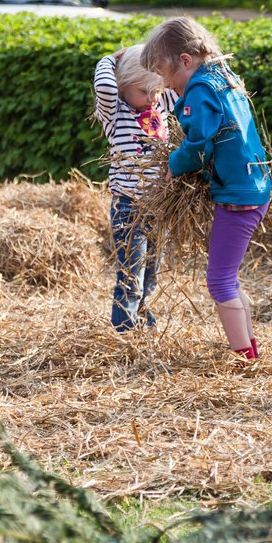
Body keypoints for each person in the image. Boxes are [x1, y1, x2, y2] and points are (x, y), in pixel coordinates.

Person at [141, 17, 272, 361]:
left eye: (166, 75)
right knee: (228, 277)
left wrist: (175, 164)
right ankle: (249, 348)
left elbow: (200, 145)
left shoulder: (200, 89)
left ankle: (244, 358)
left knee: (219, 281)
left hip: (237, 195)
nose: (167, 86)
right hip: (252, 185)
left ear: (186, 60)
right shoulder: (222, 75)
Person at [93, 44, 179, 333]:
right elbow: (104, 86)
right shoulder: (114, 113)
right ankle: (125, 330)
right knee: (131, 272)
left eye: (155, 90)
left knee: (151, 274)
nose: (151, 98)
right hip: (129, 206)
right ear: (123, 86)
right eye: (144, 91)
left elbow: (179, 82)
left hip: (159, 204)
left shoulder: (161, 104)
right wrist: (110, 59)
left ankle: (142, 317)